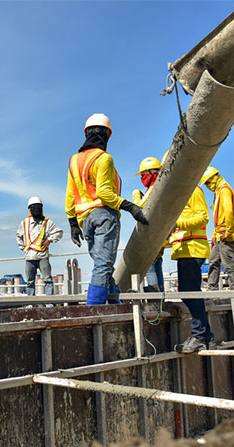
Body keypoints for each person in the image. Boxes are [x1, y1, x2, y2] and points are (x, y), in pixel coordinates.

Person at [65, 113, 148, 305]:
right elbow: (103, 193)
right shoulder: (104, 158)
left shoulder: (73, 161)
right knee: (103, 265)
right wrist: (130, 207)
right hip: (104, 216)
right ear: (107, 135)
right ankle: (92, 310)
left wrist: (72, 223)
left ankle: (115, 304)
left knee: (103, 265)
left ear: (86, 134)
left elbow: (70, 196)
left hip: (84, 220)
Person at [171, 185, 216, 353]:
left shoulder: (191, 190)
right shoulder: (179, 194)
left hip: (192, 248)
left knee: (190, 293)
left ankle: (199, 336)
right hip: (185, 249)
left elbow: (203, 217)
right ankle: (207, 336)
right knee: (187, 293)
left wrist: (176, 223)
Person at [200, 166, 234, 290]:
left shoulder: (224, 190)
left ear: (213, 179)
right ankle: (212, 289)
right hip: (219, 234)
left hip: (226, 234)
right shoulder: (218, 191)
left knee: (228, 263)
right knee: (213, 261)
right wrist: (214, 234)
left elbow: (228, 212)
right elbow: (218, 217)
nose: (207, 186)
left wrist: (228, 231)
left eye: (207, 183)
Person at [16, 196, 63, 295]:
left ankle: (49, 302)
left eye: (39, 207)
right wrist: (24, 248)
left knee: (48, 280)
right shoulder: (25, 222)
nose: (37, 209)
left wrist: (49, 240)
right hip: (29, 257)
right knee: (30, 281)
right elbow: (19, 236)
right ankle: (31, 303)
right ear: (30, 209)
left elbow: (58, 232)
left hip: (43, 256)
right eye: (34, 207)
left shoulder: (47, 222)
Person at [133, 157, 165, 293]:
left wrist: (135, 196)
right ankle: (161, 300)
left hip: (152, 236)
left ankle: (155, 302)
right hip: (158, 234)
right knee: (157, 266)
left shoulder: (153, 188)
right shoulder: (160, 186)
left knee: (150, 267)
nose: (142, 178)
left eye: (143, 175)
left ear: (151, 173)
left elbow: (140, 208)